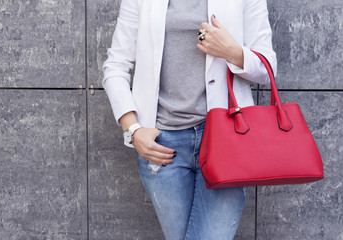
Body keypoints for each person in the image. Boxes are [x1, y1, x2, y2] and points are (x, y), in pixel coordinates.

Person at [102, 0, 277, 239]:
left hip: (226, 143)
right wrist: (132, 129)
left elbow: (267, 67)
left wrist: (232, 52)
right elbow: (115, 67)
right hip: (163, 145)